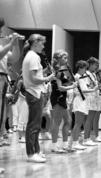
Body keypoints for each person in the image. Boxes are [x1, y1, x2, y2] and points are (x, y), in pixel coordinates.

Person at [22, 34, 55, 163]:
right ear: (35, 43)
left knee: (35, 125)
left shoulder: (31, 56)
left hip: (34, 92)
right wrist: (48, 78)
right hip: (34, 93)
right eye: (42, 43)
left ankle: (36, 151)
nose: (43, 46)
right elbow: (35, 79)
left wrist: (46, 72)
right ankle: (31, 153)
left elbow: (35, 75)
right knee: (33, 125)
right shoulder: (34, 57)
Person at [50, 50, 77, 153]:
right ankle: (54, 145)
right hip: (57, 97)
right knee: (57, 121)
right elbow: (60, 87)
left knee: (68, 121)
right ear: (58, 59)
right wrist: (72, 86)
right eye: (64, 58)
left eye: (67, 58)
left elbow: (64, 84)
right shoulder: (56, 71)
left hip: (62, 97)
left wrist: (71, 82)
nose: (66, 60)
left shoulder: (62, 71)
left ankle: (65, 144)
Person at [0, 18, 20, 151]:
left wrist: (16, 44)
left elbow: (13, 58)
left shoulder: (1, 45)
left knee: (2, 112)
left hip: (2, 78)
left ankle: (2, 134)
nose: (2, 31)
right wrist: (10, 42)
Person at [71, 60, 98, 150]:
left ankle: (76, 142)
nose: (85, 70)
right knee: (78, 123)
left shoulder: (80, 77)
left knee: (79, 123)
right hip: (79, 101)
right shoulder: (78, 77)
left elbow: (85, 88)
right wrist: (94, 89)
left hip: (82, 101)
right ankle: (75, 143)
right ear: (80, 68)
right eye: (84, 68)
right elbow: (82, 90)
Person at [83, 57, 100, 144]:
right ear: (89, 64)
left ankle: (88, 138)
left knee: (90, 119)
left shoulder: (93, 74)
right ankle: (86, 139)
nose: (96, 66)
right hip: (89, 97)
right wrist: (94, 87)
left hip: (94, 98)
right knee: (88, 119)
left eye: (97, 65)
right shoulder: (86, 73)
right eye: (94, 65)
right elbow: (86, 86)